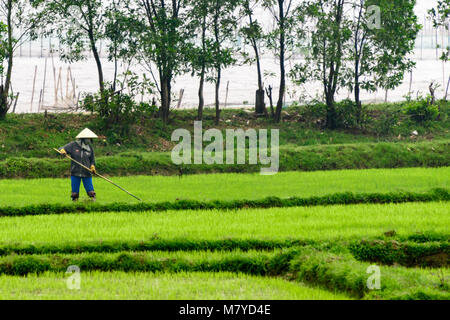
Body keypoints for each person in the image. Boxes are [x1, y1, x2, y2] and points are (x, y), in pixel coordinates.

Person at [59, 128, 98, 201]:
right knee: (74, 194)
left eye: (90, 139)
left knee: (91, 192)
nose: (89, 140)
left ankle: (93, 203)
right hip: (75, 172)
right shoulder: (73, 145)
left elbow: (92, 160)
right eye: (87, 138)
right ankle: (75, 205)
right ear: (83, 138)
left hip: (87, 173)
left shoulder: (90, 148)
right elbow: (61, 148)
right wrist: (62, 150)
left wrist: (92, 166)